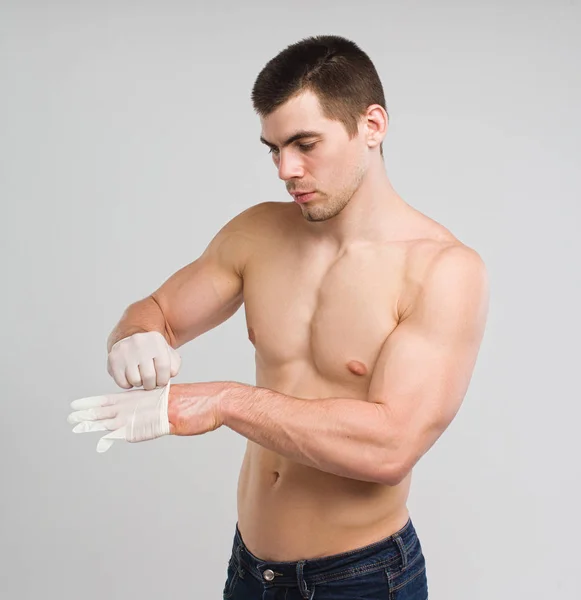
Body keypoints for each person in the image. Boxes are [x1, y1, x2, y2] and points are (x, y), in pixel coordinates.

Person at [69, 35, 489, 599]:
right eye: (273, 148)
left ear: (372, 125)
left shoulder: (443, 270)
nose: (285, 169)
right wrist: (134, 335)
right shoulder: (258, 233)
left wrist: (224, 401)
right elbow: (159, 312)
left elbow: (390, 448)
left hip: (361, 580)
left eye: (304, 143)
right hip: (250, 571)